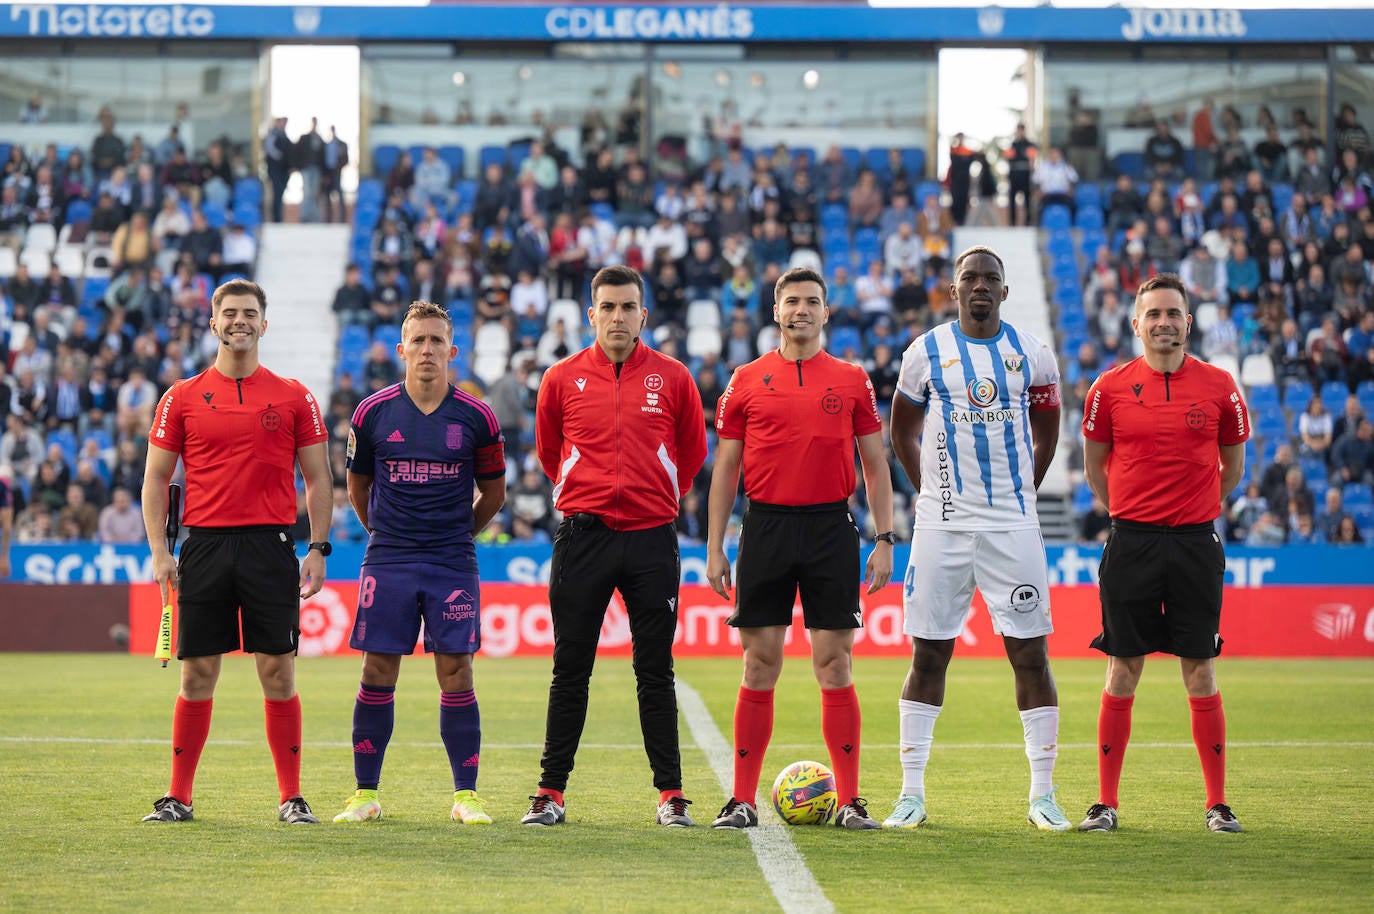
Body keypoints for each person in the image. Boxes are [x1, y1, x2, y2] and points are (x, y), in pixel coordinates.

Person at [882, 245, 1069, 831]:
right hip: (941, 526)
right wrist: (929, 493)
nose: (981, 286)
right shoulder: (926, 353)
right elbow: (902, 429)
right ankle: (911, 794)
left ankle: (1043, 795)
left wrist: (1023, 493)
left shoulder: (1033, 355)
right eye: (971, 278)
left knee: (1030, 654)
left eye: (991, 278)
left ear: (1006, 292)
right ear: (954, 289)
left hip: (1013, 525)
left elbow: (1048, 430)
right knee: (929, 653)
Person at [705, 266, 895, 831]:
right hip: (763, 527)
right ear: (776, 311)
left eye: (812, 301)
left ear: (826, 312)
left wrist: (884, 539)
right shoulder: (744, 379)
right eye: (792, 302)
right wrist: (715, 548)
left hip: (830, 528)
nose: (802, 310)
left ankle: (850, 800)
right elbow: (725, 471)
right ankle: (742, 800)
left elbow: (876, 463)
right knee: (759, 661)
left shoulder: (852, 379)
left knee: (834, 662)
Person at [140, 279, 333, 825]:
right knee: (197, 673)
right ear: (213, 323)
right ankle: (179, 796)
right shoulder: (180, 395)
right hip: (202, 545)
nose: (239, 320)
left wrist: (317, 547)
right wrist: (160, 552)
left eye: (249, 312)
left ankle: (291, 798)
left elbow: (318, 479)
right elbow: (155, 480)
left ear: (264, 324)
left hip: (270, 545)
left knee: (278, 671)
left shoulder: (295, 395)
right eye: (229, 313)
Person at [523, 265, 707, 828]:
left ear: (643, 315)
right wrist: (592, 495)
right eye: (608, 307)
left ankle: (670, 795)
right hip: (584, 537)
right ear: (592, 314)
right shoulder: (560, 378)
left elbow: (693, 454)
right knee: (570, 668)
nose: (618, 317)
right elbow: (550, 453)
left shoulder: (674, 378)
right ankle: (550, 793)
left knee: (655, 670)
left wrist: (652, 498)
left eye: (628, 307)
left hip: (652, 539)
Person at [1078, 273, 1250, 834]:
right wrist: (1131, 512)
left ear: (1188, 322)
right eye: (1152, 314)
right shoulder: (1108, 387)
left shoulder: (1221, 385)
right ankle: (1106, 803)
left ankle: (1217, 804)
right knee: (1122, 668)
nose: (1163, 323)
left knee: (1199, 668)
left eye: (1173, 313)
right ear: (1136, 324)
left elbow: (1233, 469)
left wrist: (1194, 508)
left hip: (1196, 544)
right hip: (1132, 542)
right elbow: (1094, 469)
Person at [333, 301, 507, 825]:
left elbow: (494, 494)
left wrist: (457, 534)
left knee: (456, 669)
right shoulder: (372, 413)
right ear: (400, 350)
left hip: (452, 560)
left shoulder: (477, 416)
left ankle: (466, 795)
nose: (427, 350)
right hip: (390, 557)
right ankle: (365, 793)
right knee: (377, 667)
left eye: (437, 342)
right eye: (419, 341)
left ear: (452, 351)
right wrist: (384, 533)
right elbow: (357, 486)